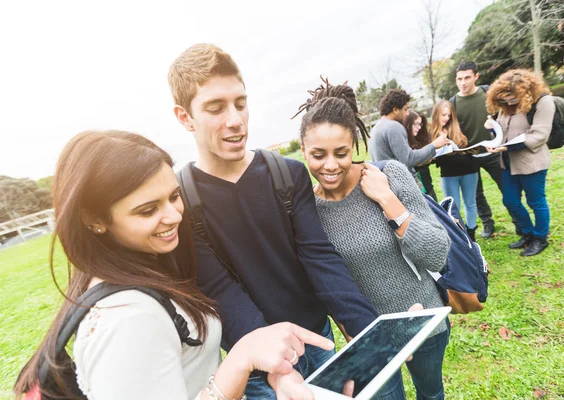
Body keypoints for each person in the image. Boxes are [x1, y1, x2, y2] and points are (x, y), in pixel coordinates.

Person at [14, 131, 334, 400]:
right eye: (147, 210)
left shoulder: (134, 271)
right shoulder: (126, 319)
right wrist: (240, 359)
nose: (173, 216)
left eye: (174, 196)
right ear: (94, 220)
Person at [168, 44, 379, 399]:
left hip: (316, 338)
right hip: (254, 359)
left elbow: (319, 256)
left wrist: (368, 330)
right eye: (215, 108)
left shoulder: (287, 174)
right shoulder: (182, 200)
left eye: (240, 102)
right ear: (185, 117)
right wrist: (275, 364)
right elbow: (218, 289)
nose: (235, 119)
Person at [297, 80, 452, 400]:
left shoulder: (389, 175)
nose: (330, 165)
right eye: (317, 154)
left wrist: (387, 200)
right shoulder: (306, 210)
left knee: (431, 394)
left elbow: (438, 254)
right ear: (303, 150)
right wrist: (343, 323)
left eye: (340, 153)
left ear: (353, 145)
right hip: (366, 337)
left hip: (421, 318)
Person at [485, 69, 554, 256]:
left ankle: (540, 239)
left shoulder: (543, 101)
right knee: (510, 200)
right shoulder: (506, 104)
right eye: (504, 98)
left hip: (531, 163)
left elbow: (540, 135)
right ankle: (528, 233)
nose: (508, 101)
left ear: (523, 90)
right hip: (508, 163)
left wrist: (508, 147)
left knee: (536, 201)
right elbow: (503, 130)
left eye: (512, 97)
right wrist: (493, 132)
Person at [451, 61, 519, 239]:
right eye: (459, 79)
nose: (463, 82)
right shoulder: (454, 103)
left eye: (467, 78)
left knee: (507, 189)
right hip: (470, 156)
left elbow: (507, 112)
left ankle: (519, 223)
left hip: (494, 152)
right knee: (476, 195)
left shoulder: (488, 93)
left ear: (476, 77)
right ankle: (488, 225)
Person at [369, 89, 450, 177]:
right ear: (395, 110)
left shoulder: (375, 129)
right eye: (406, 109)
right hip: (400, 185)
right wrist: (433, 145)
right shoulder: (394, 127)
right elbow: (409, 159)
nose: (408, 113)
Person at [431, 100, 479, 242]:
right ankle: (461, 234)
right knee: (453, 206)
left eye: (449, 115)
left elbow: (471, 148)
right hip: (448, 174)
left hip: (468, 170)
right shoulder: (431, 134)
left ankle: (471, 233)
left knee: (470, 203)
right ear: (436, 115)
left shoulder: (459, 128)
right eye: (443, 115)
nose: (446, 118)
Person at [404, 110, 438, 201]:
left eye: (420, 124)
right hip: (415, 191)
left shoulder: (421, 137)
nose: (418, 127)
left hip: (428, 186)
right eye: (416, 124)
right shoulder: (403, 141)